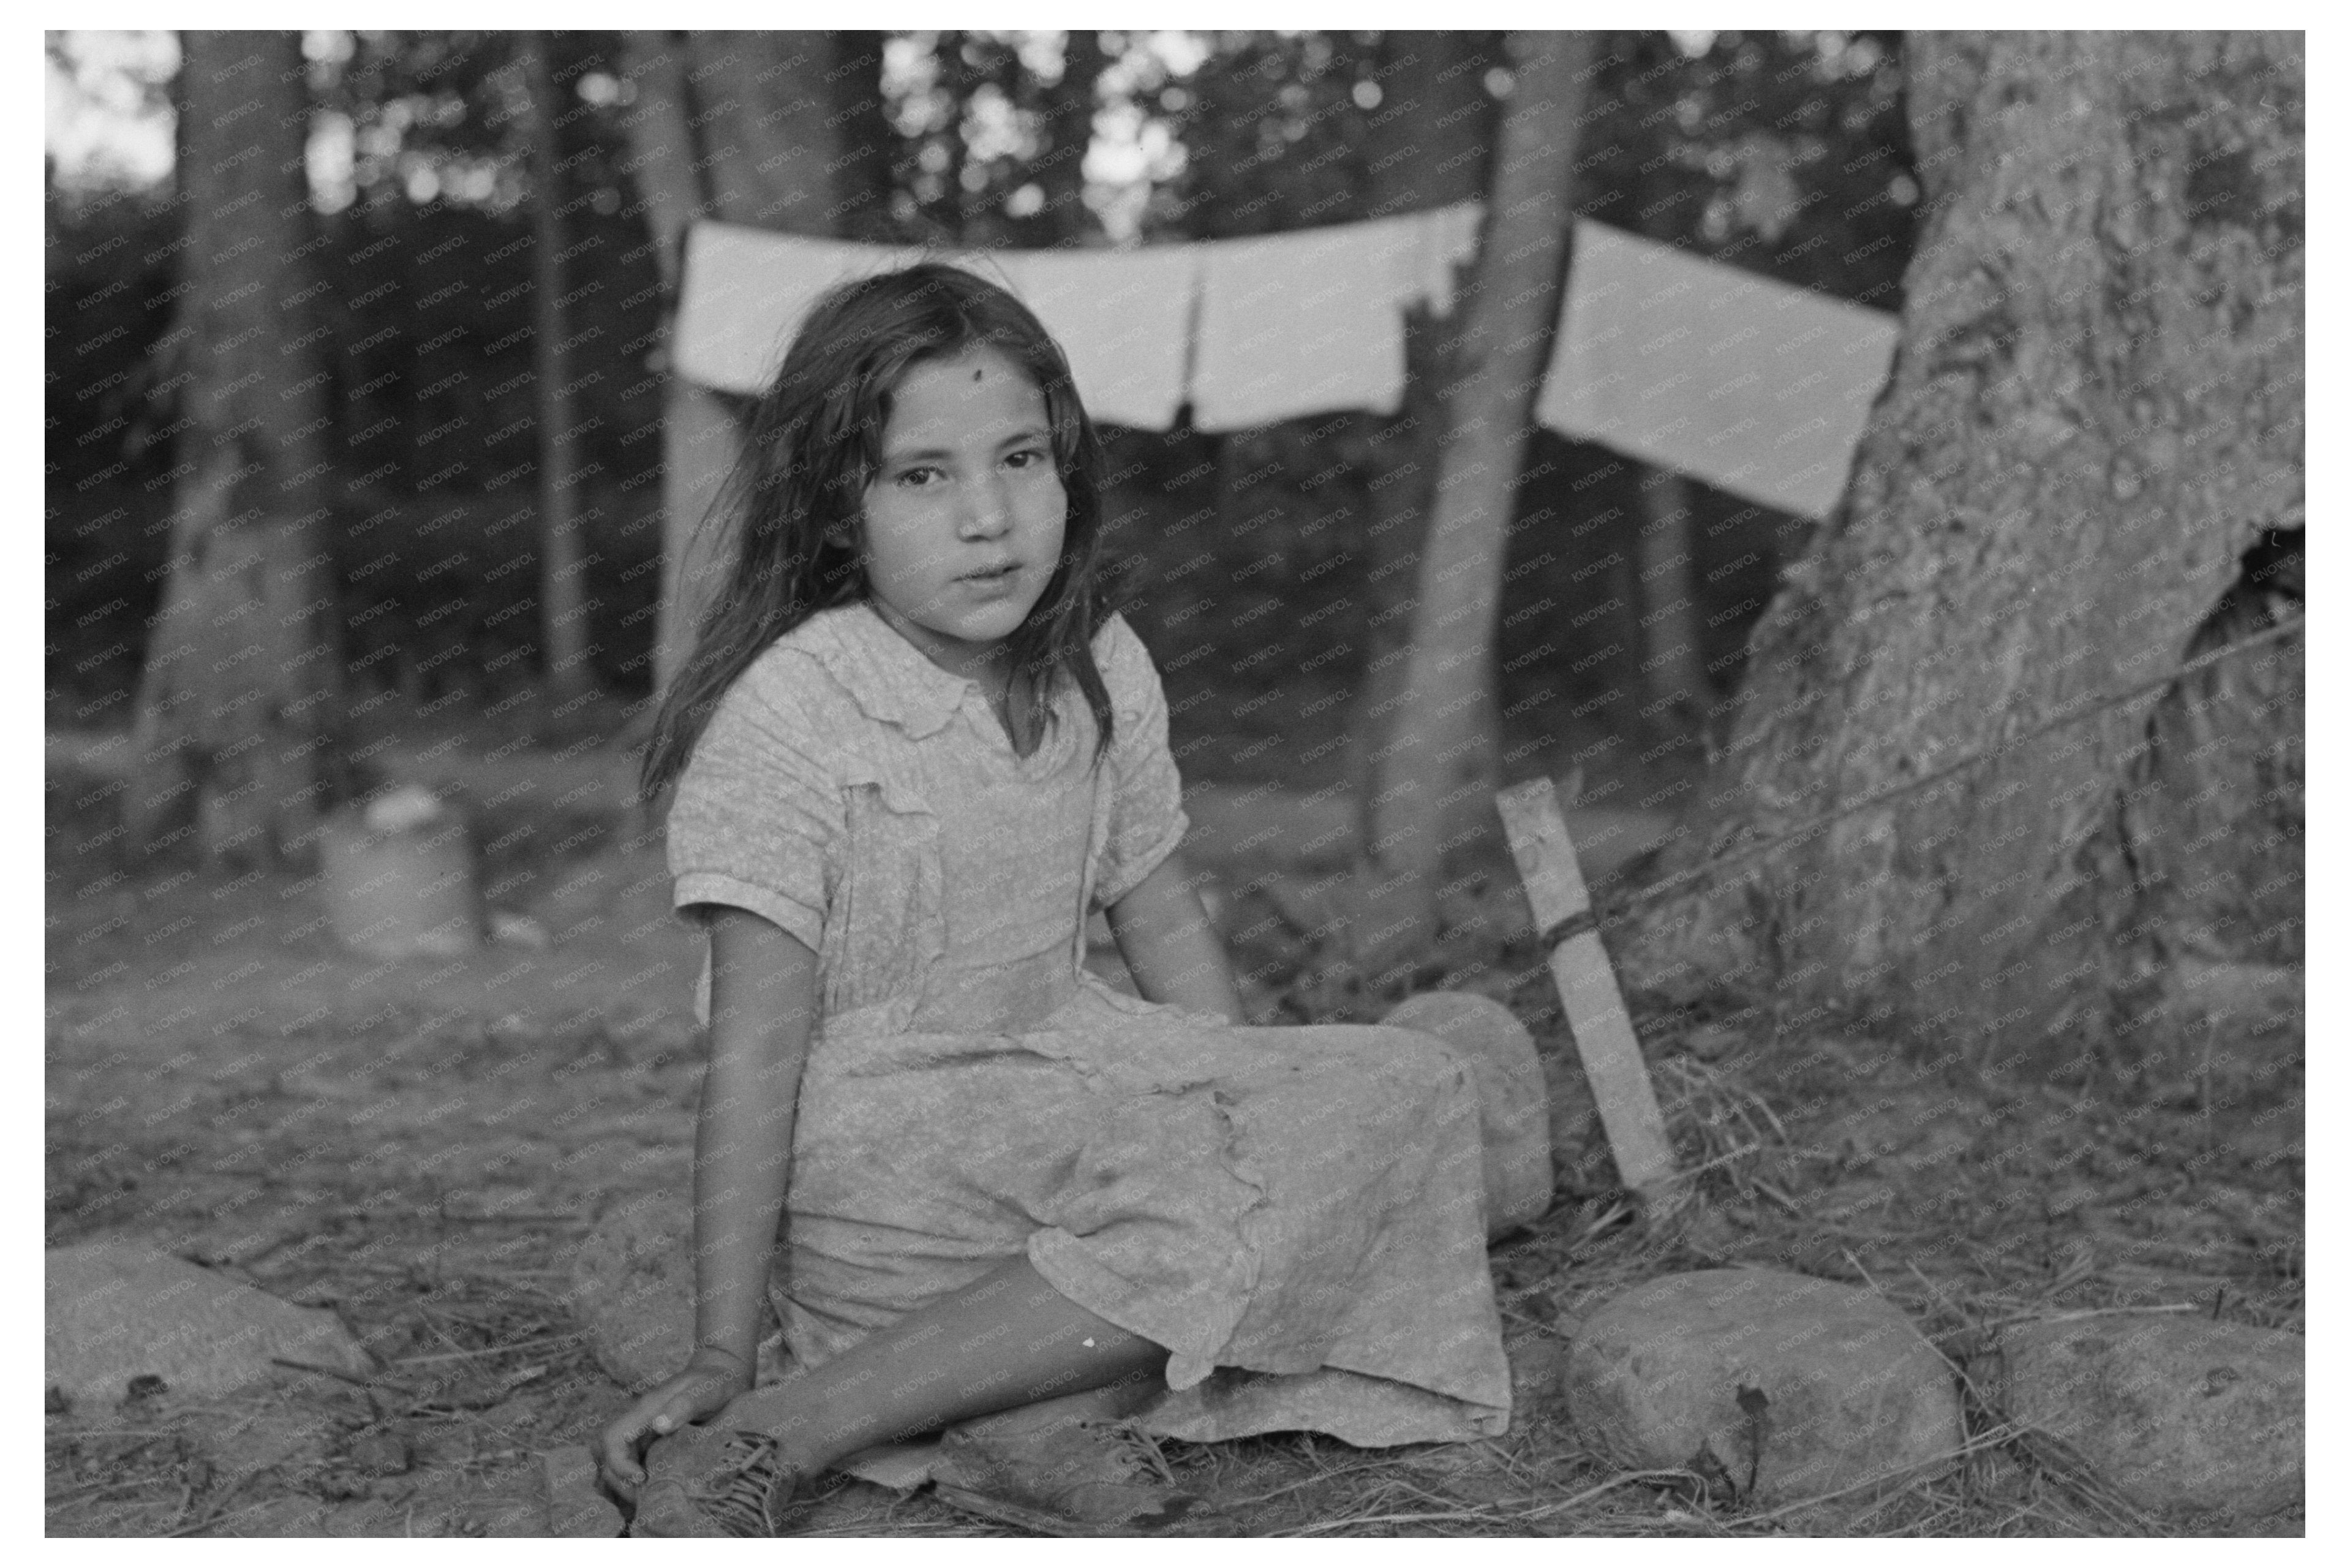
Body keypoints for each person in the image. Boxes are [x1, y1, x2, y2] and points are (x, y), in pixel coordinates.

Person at [596, 262, 1527, 1536]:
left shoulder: (1093, 660)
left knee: (1410, 1086)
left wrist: (1264, 1123)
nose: (988, 517)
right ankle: (785, 1421)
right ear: (833, 508)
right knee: (1236, 1213)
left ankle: (1017, 1406)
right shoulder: (790, 719)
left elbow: (1161, 919)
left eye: (1020, 458)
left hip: (1074, 1110)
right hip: (896, 1166)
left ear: (1065, 468)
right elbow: (755, 1065)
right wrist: (718, 1345)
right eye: (923, 474)